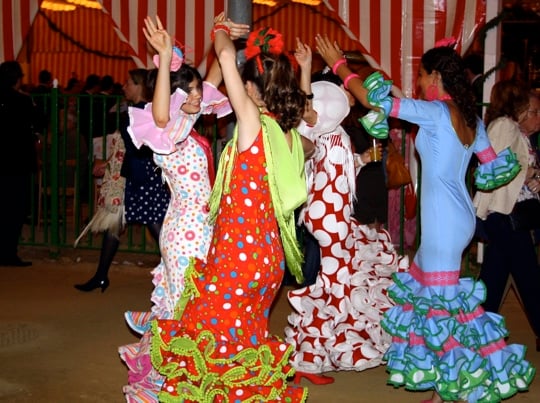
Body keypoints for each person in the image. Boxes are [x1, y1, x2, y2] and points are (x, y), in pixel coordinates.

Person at [315, 35, 535, 402]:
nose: (418, 82)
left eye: (421, 75)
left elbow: (373, 100)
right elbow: (493, 165)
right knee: (432, 300)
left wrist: (340, 65)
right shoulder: (469, 118)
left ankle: (468, 379)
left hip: (444, 222)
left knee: (444, 306)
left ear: (435, 76)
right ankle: (441, 385)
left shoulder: (435, 113)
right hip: (457, 218)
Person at [145, 14, 312, 402]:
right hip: (269, 261)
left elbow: (223, 54)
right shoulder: (290, 136)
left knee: (207, 340)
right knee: (242, 343)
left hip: (238, 255)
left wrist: (221, 29)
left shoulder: (253, 122)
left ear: (252, 90)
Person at [117, 15, 248, 401]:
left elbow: (211, 81)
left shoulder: (186, 124)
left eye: (194, 91)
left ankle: (181, 377)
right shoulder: (166, 131)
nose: (197, 96)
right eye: (187, 92)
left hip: (198, 227)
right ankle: (161, 383)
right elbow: (161, 112)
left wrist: (217, 34)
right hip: (185, 231)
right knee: (184, 309)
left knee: (192, 306)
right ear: (173, 95)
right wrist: (161, 59)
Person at [285, 40, 407, 385]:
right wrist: (306, 69)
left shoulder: (334, 132)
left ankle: (312, 355)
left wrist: (363, 160)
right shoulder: (320, 125)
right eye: (346, 90)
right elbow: (307, 113)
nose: (353, 93)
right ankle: (311, 359)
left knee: (330, 288)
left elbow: (336, 168)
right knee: (333, 290)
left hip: (333, 217)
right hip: (329, 219)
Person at [73, 68, 170, 292]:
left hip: (142, 177)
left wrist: (110, 164)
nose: (124, 86)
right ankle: (100, 275)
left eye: (129, 82)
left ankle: (181, 274)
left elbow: (136, 148)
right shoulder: (143, 110)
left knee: (158, 229)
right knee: (116, 224)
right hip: (138, 176)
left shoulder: (141, 112)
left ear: (140, 86)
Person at [474, 83, 540, 352]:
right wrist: (530, 175)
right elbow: (493, 168)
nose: (538, 117)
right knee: (529, 277)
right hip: (503, 214)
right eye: (534, 111)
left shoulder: (519, 132)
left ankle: (477, 334)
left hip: (509, 215)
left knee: (494, 277)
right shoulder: (504, 126)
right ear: (520, 108)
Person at [0, 61, 40, 267]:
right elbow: (38, 121)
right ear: (17, 79)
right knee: (15, 210)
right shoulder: (22, 101)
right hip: (17, 163)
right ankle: (8, 252)